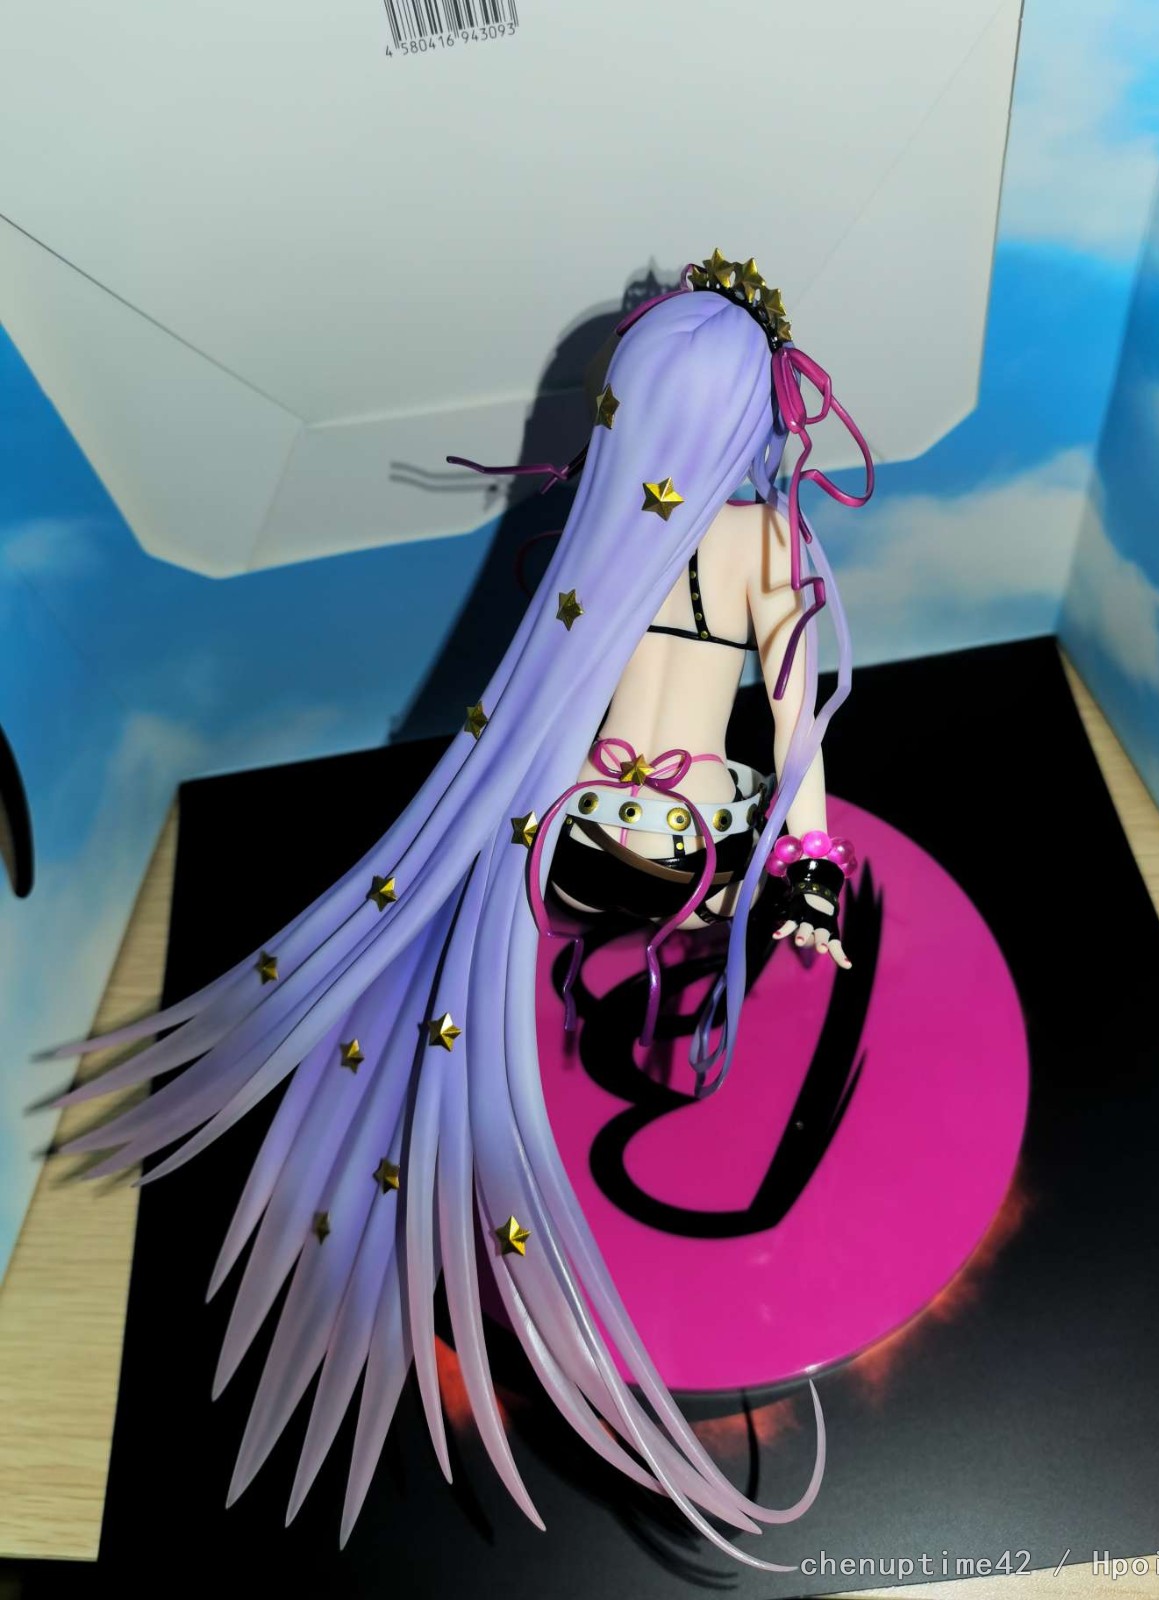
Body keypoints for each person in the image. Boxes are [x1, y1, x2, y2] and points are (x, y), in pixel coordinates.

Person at [42, 253, 873, 1572]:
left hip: (578, 839)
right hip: (680, 840)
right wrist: (807, 858)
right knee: (654, 995)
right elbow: (790, 718)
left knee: (576, 997)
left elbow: (558, 697)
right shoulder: (760, 543)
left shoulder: (607, 522)